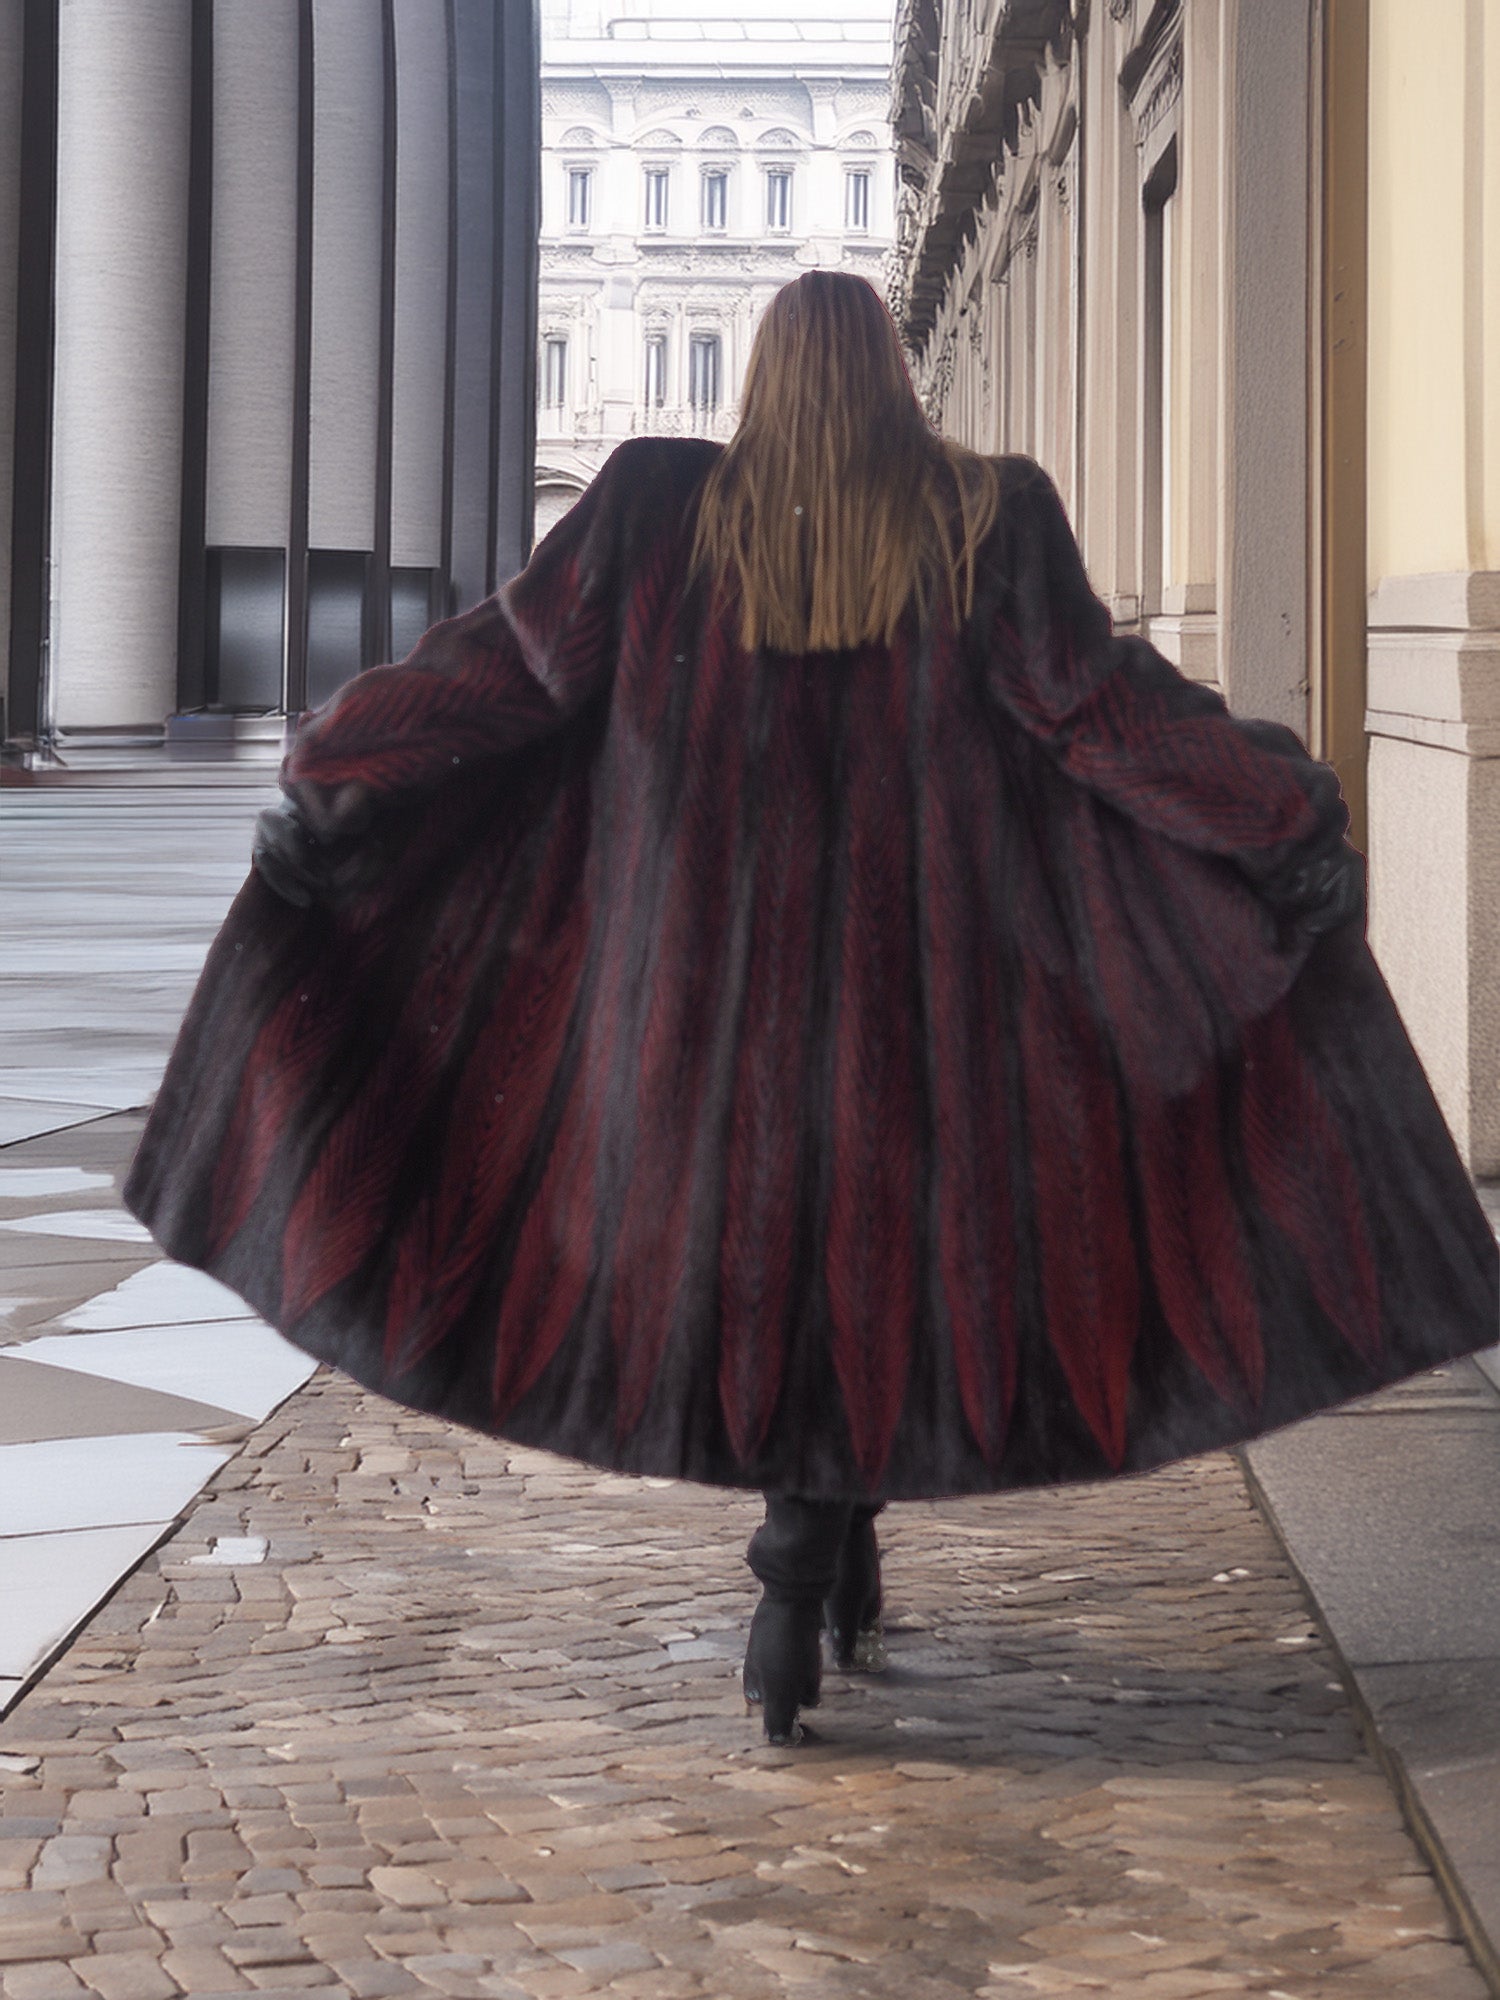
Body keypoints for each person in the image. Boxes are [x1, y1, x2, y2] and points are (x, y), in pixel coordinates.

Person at [127, 272, 1498, 1748]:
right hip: (927, 1021)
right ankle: (816, 1555)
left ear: (763, 379)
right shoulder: (985, 520)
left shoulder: (655, 513)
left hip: (702, 1029)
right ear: (895, 379)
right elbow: (1102, 713)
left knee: (768, 1274)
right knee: (880, 1272)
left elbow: (498, 673)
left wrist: (338, 765)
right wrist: (1274, 813)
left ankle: (800, 1573)